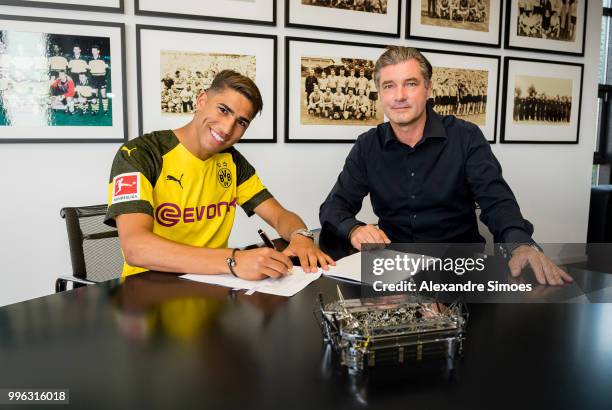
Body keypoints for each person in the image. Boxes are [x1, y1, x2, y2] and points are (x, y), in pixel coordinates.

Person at [319, 46, 572, 286]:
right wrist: (354, 230)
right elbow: (333, 207)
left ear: (428, 88)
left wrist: (520, 244)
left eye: (411, 83)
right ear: (379, 93)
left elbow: (497, 202)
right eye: (389, 86)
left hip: (460, 270)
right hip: (394, 271)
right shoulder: (367, 146)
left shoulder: (466, 137)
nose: (399, 96)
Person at [105, 70, 334, 279]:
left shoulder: (232, 160)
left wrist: (301, 235)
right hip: (147, 289)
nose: (227, 128)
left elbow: (279, 216)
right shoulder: (139, 153)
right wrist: (234, 260)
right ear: (201, 100)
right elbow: (136, 248)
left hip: (212, 284)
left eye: (241, 122)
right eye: (223, 110)